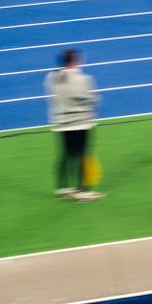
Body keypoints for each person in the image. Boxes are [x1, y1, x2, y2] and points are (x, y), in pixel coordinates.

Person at [46, 49, 103, 201]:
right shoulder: (83, 78)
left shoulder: (52, 77)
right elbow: (90, 99)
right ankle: (83, 191)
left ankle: (62, 188)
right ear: (74, 61)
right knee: (82, 156)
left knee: (65, 155)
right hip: (80, 123)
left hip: (61, 122)